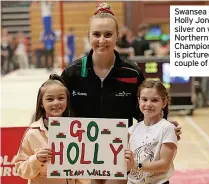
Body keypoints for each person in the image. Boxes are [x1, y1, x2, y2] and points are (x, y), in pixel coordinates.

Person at [61, 3, 182, 184]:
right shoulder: (72, 72)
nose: (102, 40)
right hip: (81, 155)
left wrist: (162, 126)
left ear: (118, 37)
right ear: (88, 36)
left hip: (119, 153)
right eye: (96, 34)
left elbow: (144, 111)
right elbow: (57, 109)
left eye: (108, 34)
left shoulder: (131, 72)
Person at [14, 74, 89, 184]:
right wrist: (36, 159)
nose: (56, 103)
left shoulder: (79, 132)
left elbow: (86, 171)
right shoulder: (32, 133)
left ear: (67, 101)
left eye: (61, 98)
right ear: (41, 104)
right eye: (50, 99)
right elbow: (20, 170)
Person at [128, 80, 177, 184]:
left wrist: (136, 165)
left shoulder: (167, 128)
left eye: (154, 100)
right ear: (139, 101)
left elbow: (164, 164)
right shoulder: (131, 130)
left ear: (164, 102)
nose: (148, 104)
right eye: (144, 99)